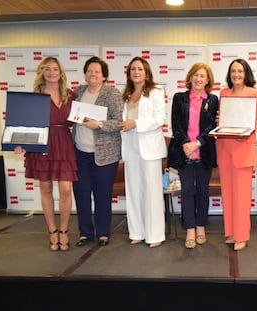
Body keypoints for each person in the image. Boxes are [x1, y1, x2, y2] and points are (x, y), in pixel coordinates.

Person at [14, 56, 77, 251]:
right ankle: (52, 231)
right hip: (42, 143)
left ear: (61, 73)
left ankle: (64, 231)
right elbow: (24, 122)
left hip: (64, 142)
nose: (51, 72)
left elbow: (79, 119)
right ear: (42, 72)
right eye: (47, 69)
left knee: (66, 189)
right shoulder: (35, 96)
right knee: (46, 189)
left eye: (55, 69)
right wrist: (18, 142)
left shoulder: (70, 95)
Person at [72, 56, 123, 247]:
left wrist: (99, 124)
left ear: (104, 76)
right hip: (79, 153)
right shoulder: (77, 92)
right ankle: (85, 233)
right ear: (85, 74)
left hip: (104, 155)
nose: (93, 74)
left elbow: (118, 122)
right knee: (82, 194)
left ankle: (103, 233)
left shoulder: (112, 94)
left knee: (102, 195)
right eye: (90, 71)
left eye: (97, 71)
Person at [167, 62, 219, 249]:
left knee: (203, 191)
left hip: (203, 151)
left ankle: (201, 228)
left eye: (202, 76)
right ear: (190, 77)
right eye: (196, 75)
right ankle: (189, 230)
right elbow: (176, 125)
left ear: (207, 80)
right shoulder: (179, 98)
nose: (198, 79)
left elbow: (212, 127)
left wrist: (197, 143)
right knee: (188, 191)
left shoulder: (212, 100)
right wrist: (186, 145)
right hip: (183, 152)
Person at [216, 58, 257, 251]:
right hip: (225, 147)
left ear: (246, 74)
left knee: (242, 195)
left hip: (243, 147)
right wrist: (220, 119)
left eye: (240, 71)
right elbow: (222, 118)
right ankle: (231, 232)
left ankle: (242, 235)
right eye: (233, 71)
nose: (236, 75)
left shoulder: (255, 93)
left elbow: (256, 121)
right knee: (227, 193)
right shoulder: (224, 93)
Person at [120, 56, 167, 248]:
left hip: (149, 147)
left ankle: (154, 234)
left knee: (152, 192)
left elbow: (159, 119)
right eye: (133, 69)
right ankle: (137, 232)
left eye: (139, 69)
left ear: (146, 72)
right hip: (130, 145)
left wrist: (135, 124)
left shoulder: (156, 91)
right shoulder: (127, 94)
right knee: (133, 190)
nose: (136, 72)